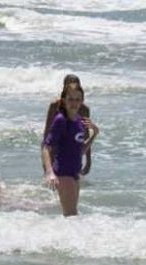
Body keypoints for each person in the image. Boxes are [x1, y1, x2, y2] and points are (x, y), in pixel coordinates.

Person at [42, 83, 99, 216]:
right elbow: (46, 147)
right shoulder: (61, 120)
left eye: (77, 99)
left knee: (72, 216)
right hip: (63, 172)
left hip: (75, 173)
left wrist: (94, 134)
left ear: (82, 101)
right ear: (64, 100)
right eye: (70, 99)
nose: (74, 103)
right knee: (71, 215)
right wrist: (50, 172)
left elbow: (79, 151)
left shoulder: (80, 121)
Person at [41, 74, 93, 176]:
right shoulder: (55, 106)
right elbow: (47, 132)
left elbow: (84, 135)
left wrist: (88, 161)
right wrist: (46, 161)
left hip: (74, 149)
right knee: (54, 181)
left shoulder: (84, 109)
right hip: (55, 147)